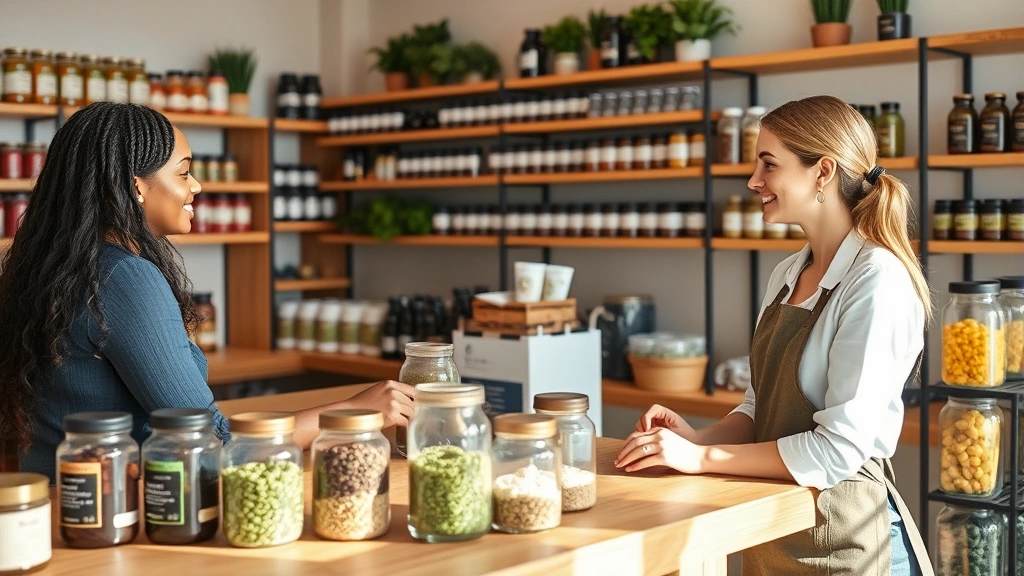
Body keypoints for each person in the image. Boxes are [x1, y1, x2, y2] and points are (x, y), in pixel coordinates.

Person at [0, 102, 415, 482]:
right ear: (136, 187)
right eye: (183, 172)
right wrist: (358, 411)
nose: (196, 185)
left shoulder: (55, 268)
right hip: (124, 511)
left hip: (62, 503)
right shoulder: (125, 279)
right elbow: (214, 443)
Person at [615, 96, 933, 576]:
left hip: (845, 544)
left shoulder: (877, 281)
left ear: (822, 171)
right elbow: (758, 409)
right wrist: (692, 439)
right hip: (772, 533)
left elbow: (837, 450)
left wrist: (700, 458)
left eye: (769, 164)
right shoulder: (788, 272)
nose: (753, 181)